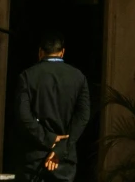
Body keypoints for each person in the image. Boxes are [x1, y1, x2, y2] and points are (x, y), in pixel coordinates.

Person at [14, 32, 92, 181]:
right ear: (62, 52)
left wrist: (49, 138)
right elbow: (82, 117)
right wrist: (61, 148)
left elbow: (23, 116)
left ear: (40, 52)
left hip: (33, 159)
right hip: (64, 159)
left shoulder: (27, 77)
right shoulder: (78, 77)